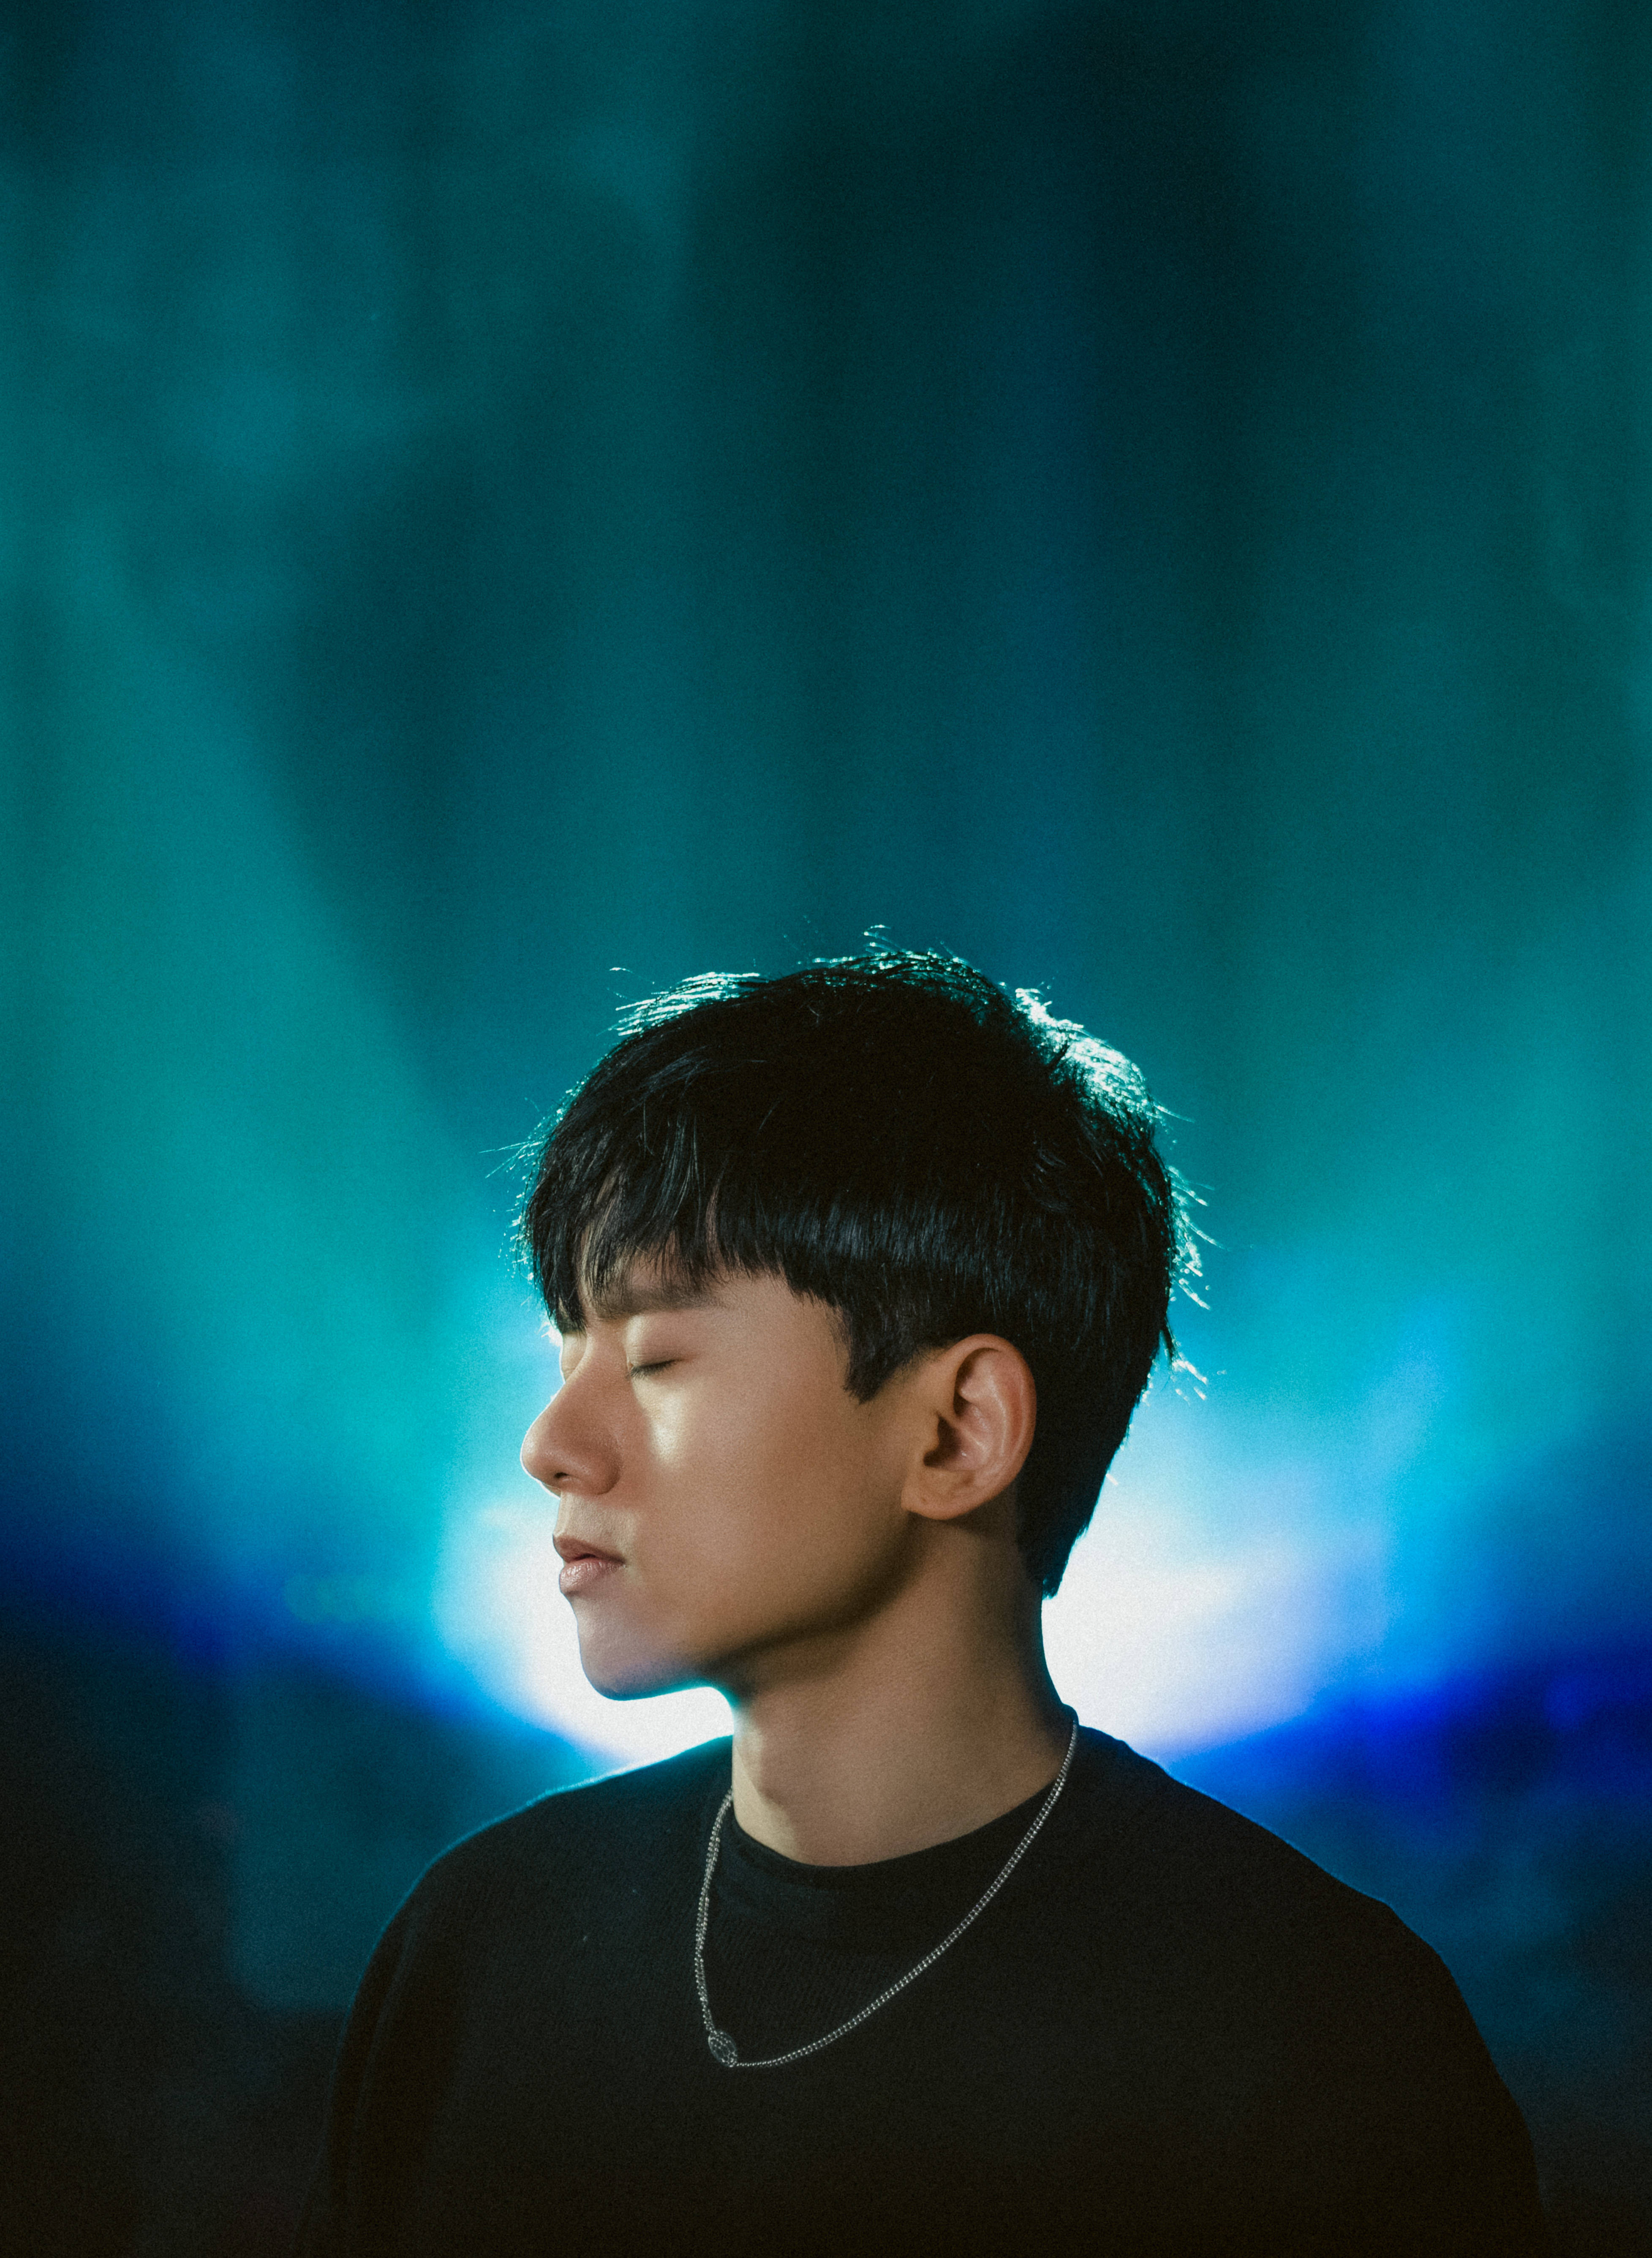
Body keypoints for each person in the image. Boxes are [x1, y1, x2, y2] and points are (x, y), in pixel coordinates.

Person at [294, 947, 1549, 2256]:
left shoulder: (1321, 2050)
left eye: (658, 1357)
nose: (550, 1442)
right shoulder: (479, 1950)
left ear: (959, 1429)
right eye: (566, 1351)